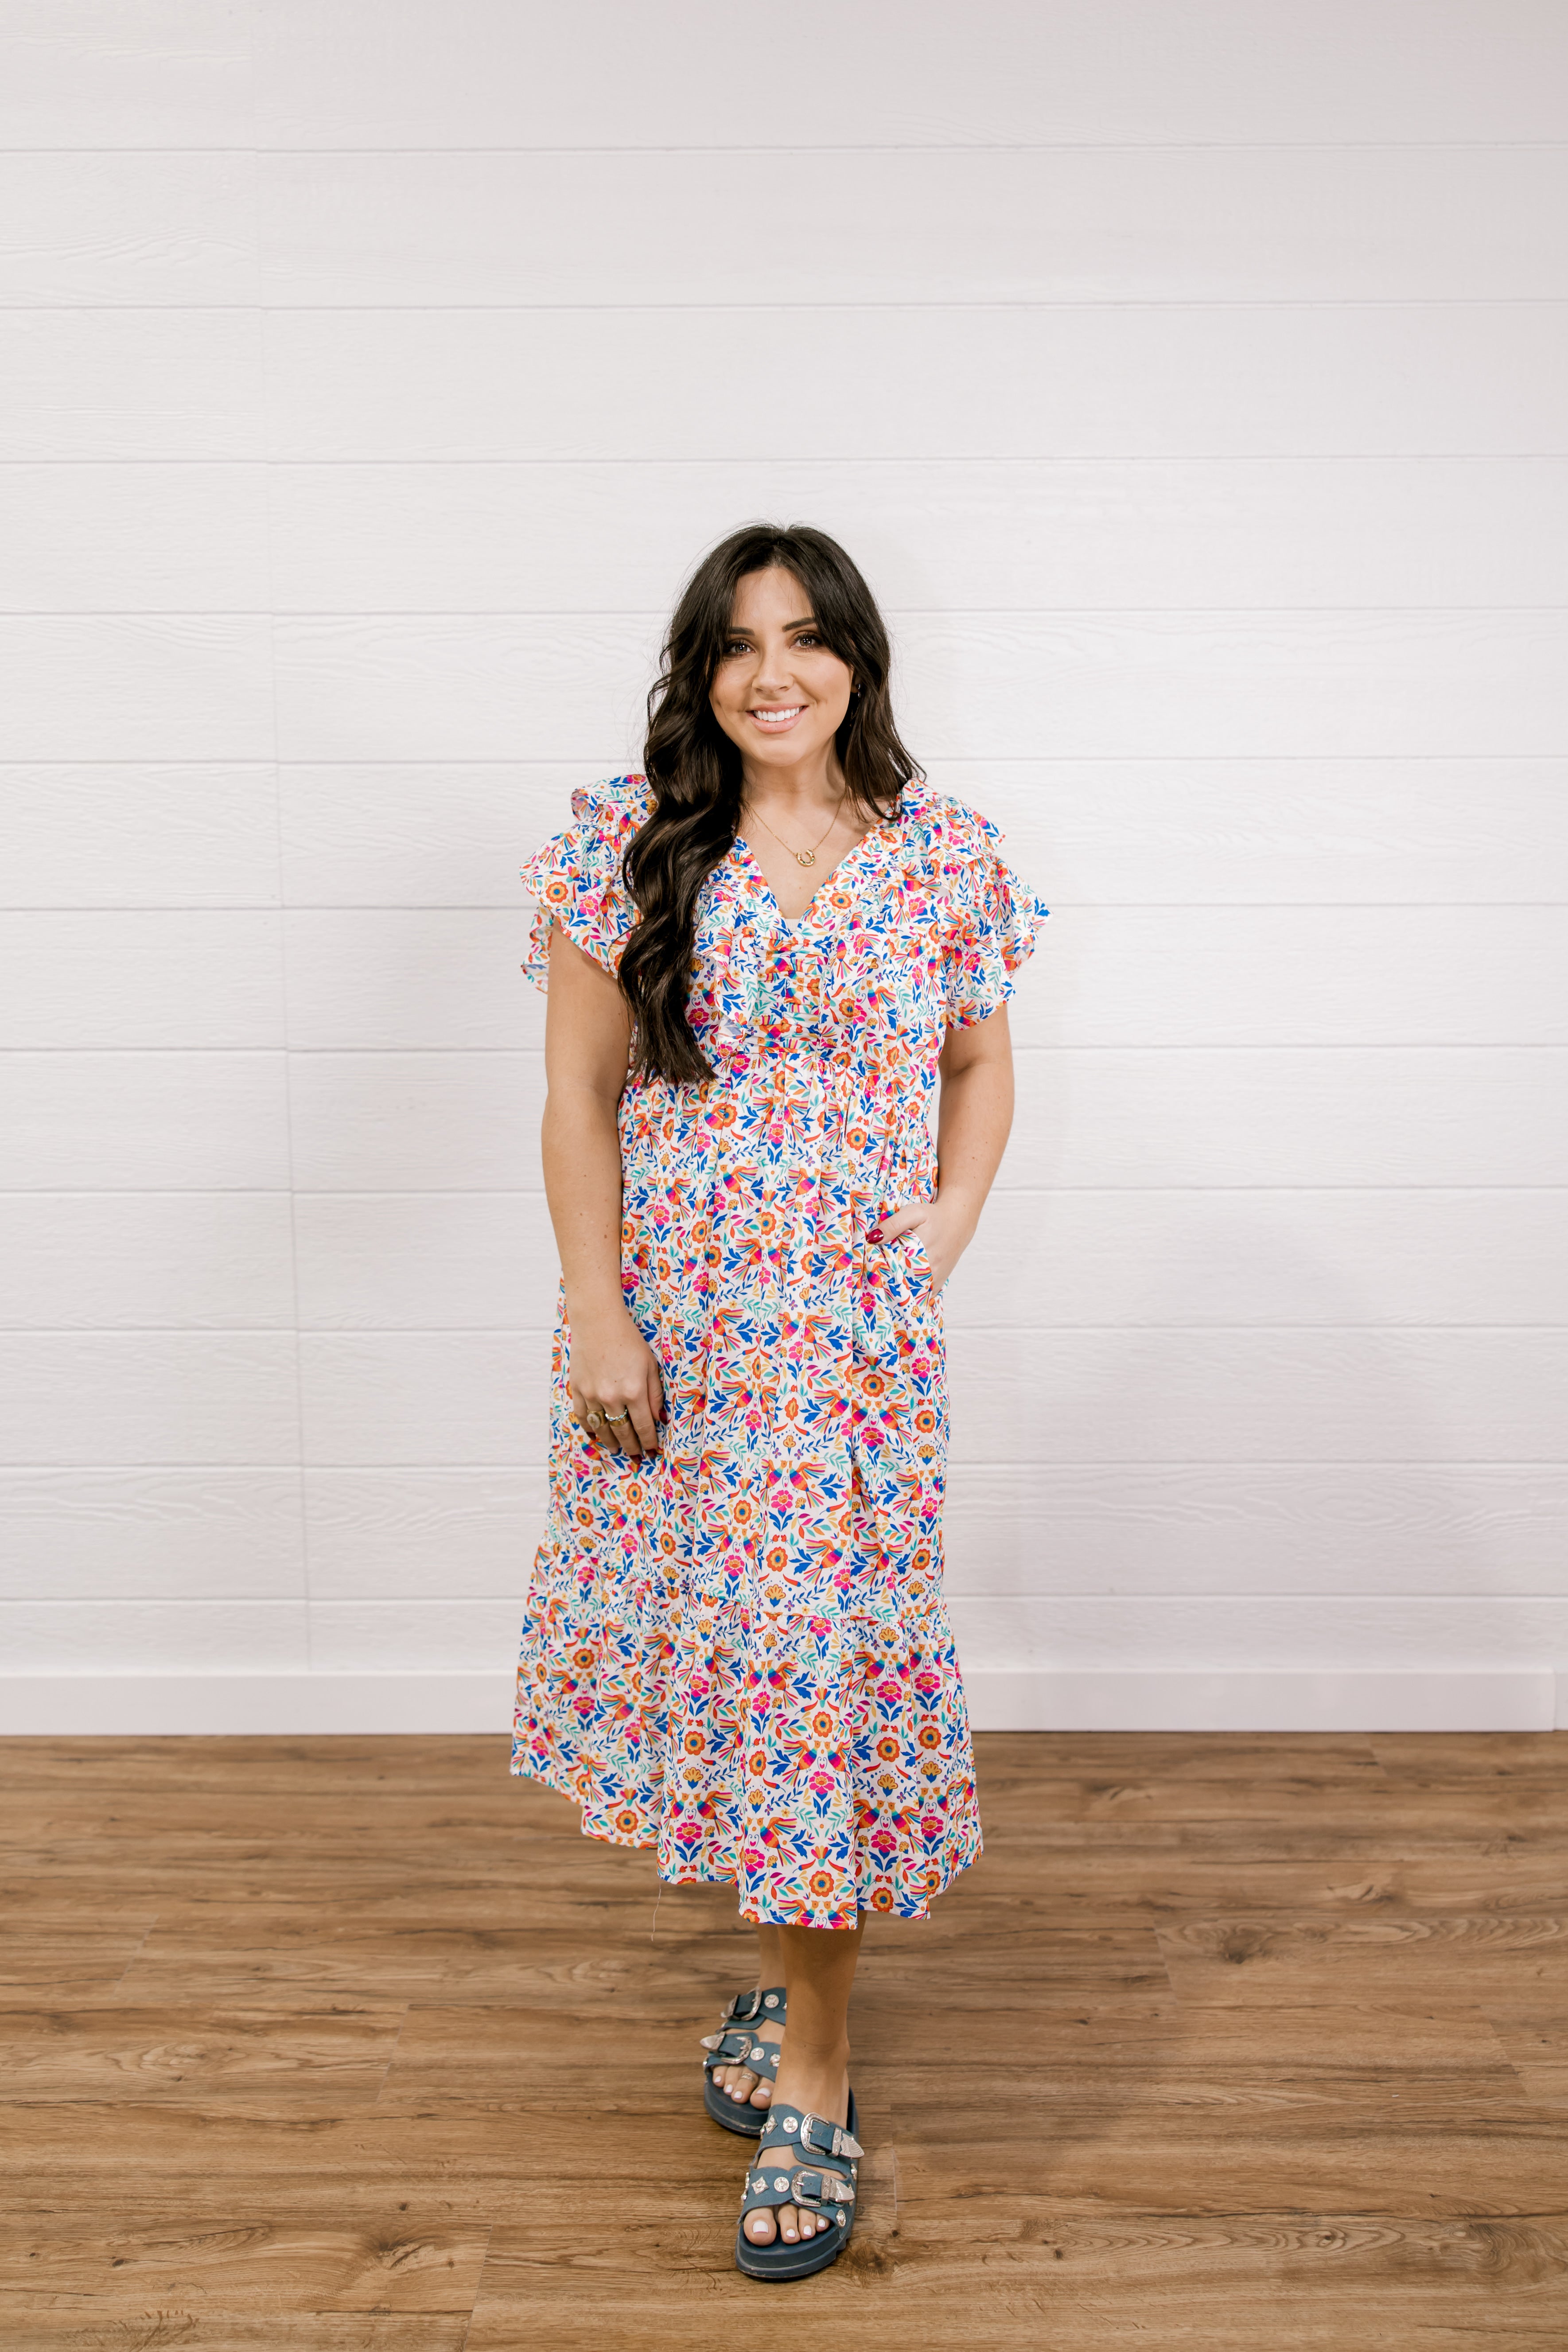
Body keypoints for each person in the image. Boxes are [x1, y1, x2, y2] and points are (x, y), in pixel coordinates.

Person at [511, 523, 1048, 2279]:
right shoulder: (626, 849)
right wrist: (599, 1312)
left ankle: (815, 2065)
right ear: (699, 666)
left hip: (860, 1361)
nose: (775, 673)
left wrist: (947, 1223)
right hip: (684, 1345)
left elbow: (981, 1063)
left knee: (826, 1673)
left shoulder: (941, 858)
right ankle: (795, 1985)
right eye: (740, 643)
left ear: (859, 664)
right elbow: (578, 1101)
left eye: (809, 640)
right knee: (747, 1669)